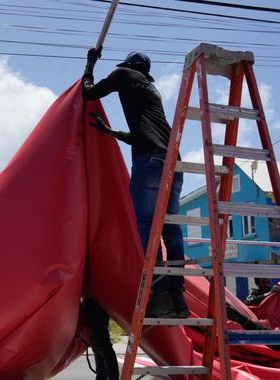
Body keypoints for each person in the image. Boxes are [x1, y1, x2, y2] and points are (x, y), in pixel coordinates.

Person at [82, 49, 189, 318]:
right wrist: (110, 132)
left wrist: (90, 63)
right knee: (170, 228)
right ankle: (177, 296)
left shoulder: (123, 74)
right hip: (174, 163)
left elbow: (88, 93)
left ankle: (161, 291)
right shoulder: (151, 90)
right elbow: (142, 133)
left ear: (130, 66)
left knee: (143, 226)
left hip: (150, 162)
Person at [82, 297, 119, 380]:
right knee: (105, 352)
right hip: (95, 312)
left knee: (101, 350)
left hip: (93, 310)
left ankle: (104, 377)